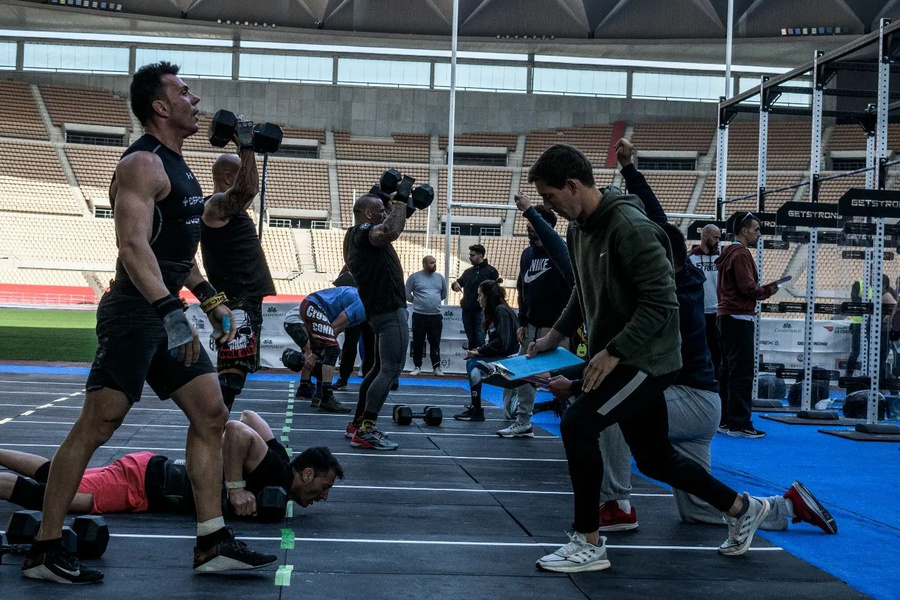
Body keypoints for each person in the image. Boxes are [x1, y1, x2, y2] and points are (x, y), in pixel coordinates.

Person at [20, 63, 277, 584]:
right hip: (136, 313)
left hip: (166, 310)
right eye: (185, 92)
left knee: (211, 413)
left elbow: (195, 239)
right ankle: (45, 548)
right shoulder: (142, 164)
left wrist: (208, 298)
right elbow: (133, 246)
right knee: (100, 422)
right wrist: (170, 312)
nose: (195, 98)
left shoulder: (182, 171)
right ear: (161, 107)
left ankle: (212, 540)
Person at [526, 143, 772, 574]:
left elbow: (662, 304)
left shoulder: (630, 227)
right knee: (655, 458)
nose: (549, 206)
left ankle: (588, 542)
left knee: (578, 422)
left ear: (572, 185)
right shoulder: (579, 229)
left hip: (648, 360)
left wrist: (612, 351)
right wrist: (555, 334)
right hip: (623, 356)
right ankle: (741, 508)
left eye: (550, 198)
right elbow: (583, 290)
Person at [0, 411, 343, 517]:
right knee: (53, 499)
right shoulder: (273, 470)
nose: (324, 496)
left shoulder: (280, 461)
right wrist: (236, 489)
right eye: (324, 487)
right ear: (307, 472)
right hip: (141, 484)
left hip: (147, 471)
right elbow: (237, 429)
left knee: (54, 477)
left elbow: (251, 416)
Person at [344, 183, 429, 451]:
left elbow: (392, 223)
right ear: (368, 214)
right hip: (389, 309)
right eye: (380, 210)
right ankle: (366, 429)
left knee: (379, 369)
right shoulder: (365, 232)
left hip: (378, 309)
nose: (385, 212)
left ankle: (357, 424)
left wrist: (404, 206)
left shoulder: (355, 235)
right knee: (391, 369)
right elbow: (390, 229)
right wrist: (402, 199)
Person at [201, 153, 276, 412]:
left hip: (246, 300)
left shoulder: (227, 211)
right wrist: (247, 147)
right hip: (237, 300)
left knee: (235, 374)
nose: (254, 177)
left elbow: (249, 188)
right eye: (246, 171)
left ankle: (214, 435)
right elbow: (249, 189)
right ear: (227, 177)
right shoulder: (215, 206)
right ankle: (211, 436)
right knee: (231, 378)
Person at [498, 205, 570, 437]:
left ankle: (573, 419)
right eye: (527, 226)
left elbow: (574, 290)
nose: (529, 230)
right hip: (531, 325)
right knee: (525, 375)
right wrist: (522, 321)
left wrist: (565, 326)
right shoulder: (526, 254)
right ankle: (523, 421)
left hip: (557, 327)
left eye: (533, 225)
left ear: (547, 226)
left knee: (564, 375)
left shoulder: (562, 252)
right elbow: (522, 288)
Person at [717, 211, 779, 438]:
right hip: (739, 317)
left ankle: (725, 420)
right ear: (744, 231)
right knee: (741, 373)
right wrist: (767, 291)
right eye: (756, 230)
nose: (759, 234)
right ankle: (739, 424)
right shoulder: (741, 254)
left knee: (727, 371)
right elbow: (748, 287)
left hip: (726, 316)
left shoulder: (728, 253)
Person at [283, 286, 363, 413]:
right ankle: (325, 397)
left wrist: (318, 351)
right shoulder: (363, 303)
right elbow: (336, 324)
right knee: (331, 350)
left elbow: (336, 328)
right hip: (311, 308)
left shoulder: (361, 300)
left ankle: (319, 393)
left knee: (327, 350)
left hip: (312, 307)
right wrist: (315, 354)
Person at [454, 280, 519, 422]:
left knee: (473, 364)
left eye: (480, 295)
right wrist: (481, 351)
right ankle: (551, 405)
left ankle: (476, 410)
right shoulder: (496, 311)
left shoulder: (501, 311)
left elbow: (503, 343)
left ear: (487, 296)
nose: (478, 299)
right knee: (512, 414)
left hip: (512, 363)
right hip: (505, 359)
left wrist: (481, 351)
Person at [688, 224, 722, 380]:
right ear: (705, 236)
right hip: (699, 313)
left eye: (719, 238)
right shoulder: (691, 258)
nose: (718, 241)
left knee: (717, 353)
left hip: (717, 313)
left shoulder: (721, 258)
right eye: (715, 237)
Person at [332, 269, 375, 389]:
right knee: (350, 346)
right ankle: (343, 378)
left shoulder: (371, 268)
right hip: (355, 312)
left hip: (366, 313)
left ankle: (366, 378)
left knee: (369, 347)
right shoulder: (350, 268)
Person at [451, 244, 499, 350]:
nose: (470, 257)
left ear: (480, 256)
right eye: (470, 255)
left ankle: (480, 359)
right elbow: (458, 282)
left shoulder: (491, 271)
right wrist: (455, 284)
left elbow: (496, 291)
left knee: (479, 337)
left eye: (472, 255)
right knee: (471, 337)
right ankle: (474, 359)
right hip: (467, 309)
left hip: (481, 310)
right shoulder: (468, 272)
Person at [405, 255, 447, 376]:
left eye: (435, 262)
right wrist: (418, 302)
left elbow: (443, 294)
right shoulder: (414, 277)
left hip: (435, 315)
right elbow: (407, 293)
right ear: (424, 264)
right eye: (431, 263)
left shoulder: (440, 278)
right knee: (418, 341)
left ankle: (436, 367)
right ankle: (417, 366)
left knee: (435, 342)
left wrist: (432, 302)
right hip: (419, 315)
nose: (434, 264)